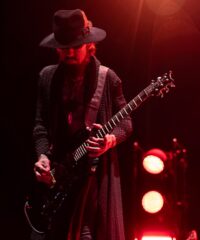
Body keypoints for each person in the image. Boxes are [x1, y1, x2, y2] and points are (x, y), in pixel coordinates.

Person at [32, 9, 132, 240]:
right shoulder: (47, 77)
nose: (68, 53)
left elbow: (126, 122)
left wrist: (110, 139)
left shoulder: (108, 78)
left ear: (89, 45)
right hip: (58, 176)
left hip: (93, 178)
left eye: (75, 46)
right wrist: (42, 157)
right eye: (63, 47)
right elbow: (40, 126)